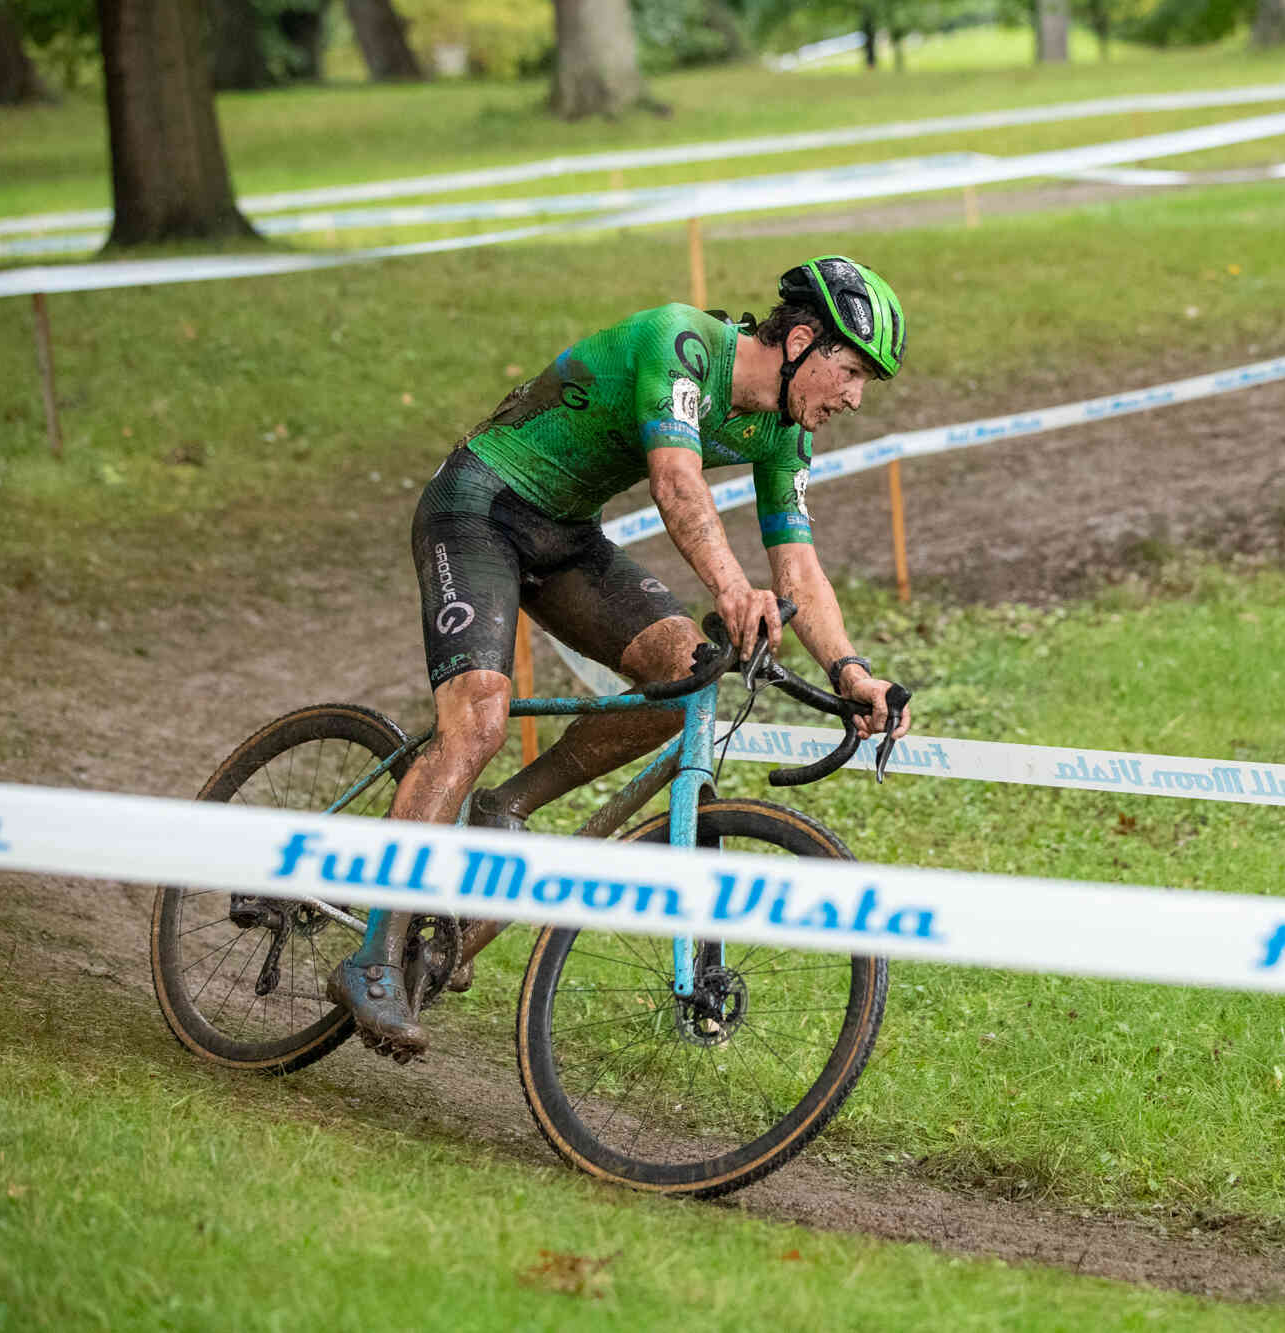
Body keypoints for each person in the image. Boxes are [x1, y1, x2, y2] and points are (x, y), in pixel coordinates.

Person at [328, 255, 915, 1061]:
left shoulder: (784, 429)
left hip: (565, 536)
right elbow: (676, 480)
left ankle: (509, 807)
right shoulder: (682, 345)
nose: (853, 396)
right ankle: (371, 956)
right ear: (802, 340)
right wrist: (733, 589)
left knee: (684, 681)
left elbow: (800, 567)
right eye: (849, 371)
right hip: (479, 508)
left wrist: (852, 672)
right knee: (477, 724)